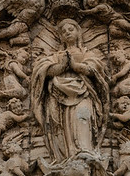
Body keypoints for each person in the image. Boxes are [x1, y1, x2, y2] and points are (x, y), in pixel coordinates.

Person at [30, 19, 108, 162]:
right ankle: (65, 157)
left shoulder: (87, 53)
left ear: (78, 32)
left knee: (82, 117)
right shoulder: (55, 56)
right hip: (58, 94)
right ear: (60, 37)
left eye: (70, 29)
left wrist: (75, 66)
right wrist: (60, 67)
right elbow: (41, 71)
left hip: (83, 93)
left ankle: (85, 151)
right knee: (62, 125)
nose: (67, 33)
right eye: (64, 31)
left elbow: (95, 69)